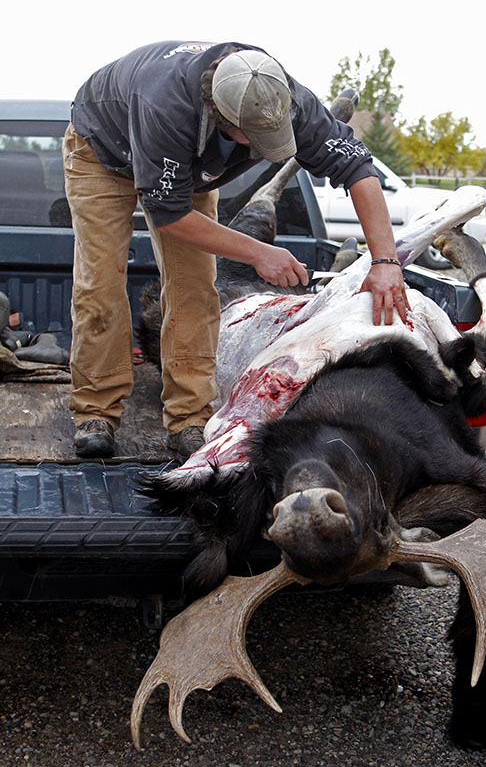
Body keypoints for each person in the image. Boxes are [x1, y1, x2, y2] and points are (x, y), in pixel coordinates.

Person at [63, 41, 409, 460]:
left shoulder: (282, 97)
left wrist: (385, 260)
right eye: (258, 138)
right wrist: (259, 253)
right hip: (104, 151)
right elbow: (169, 215)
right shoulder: (165, 108)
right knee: (100, 284)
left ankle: (189, 418)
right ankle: (96, 410)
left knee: (195, 288)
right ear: (219, 116)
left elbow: (358, 169)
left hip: (187, 174)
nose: (271, 143)